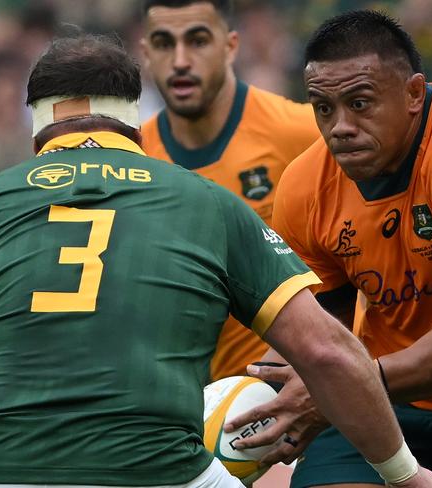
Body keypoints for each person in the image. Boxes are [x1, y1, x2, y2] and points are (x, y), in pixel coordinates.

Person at [0, 33, 432, 488]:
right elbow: (328, 354)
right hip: (154, 470)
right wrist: (406, 475)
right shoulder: (206, 203)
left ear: (38, 124)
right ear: (135, 118)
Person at [226, 9, 432, 488]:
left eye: (360, 103)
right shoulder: (303, 186)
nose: (339, 127)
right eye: (323, 108)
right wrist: (278, 389)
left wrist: (345, 386)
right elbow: (326, 326)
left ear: (413, 94)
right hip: (389, 402)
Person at [139, 0, 321, 380]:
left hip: (297, 392)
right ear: (145, 53)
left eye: (198, 40)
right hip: (187, 405)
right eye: (163, 43)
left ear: (231, 46)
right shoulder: (136, 160)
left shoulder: (300, 133)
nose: (180, 60)